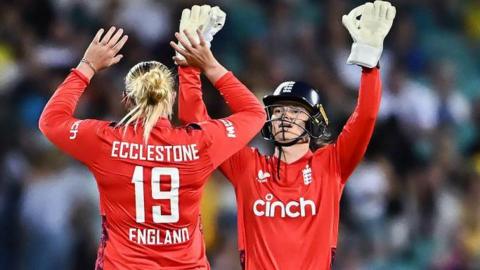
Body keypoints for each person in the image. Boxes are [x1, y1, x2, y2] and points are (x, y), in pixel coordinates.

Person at [174, 1, 396, 269]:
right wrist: (188, 66)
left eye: (295, 110)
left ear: (314, 121)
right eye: (278, 110)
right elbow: (195, 126)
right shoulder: (247, 166)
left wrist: (369, 64)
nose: (284, 116)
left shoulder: (331, 165)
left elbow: (367, 117)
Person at [38, 23, 266, 269]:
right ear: (170, 99)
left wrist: (87, 66)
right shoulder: (199, 143)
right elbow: (254, 113)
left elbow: (51, 121)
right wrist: (201, 66)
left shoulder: (105, 140)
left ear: (126, 100)